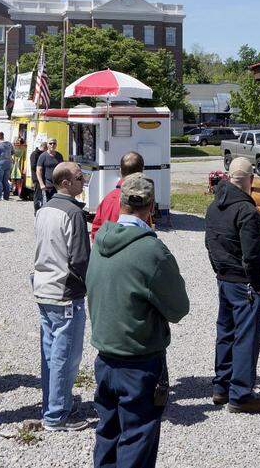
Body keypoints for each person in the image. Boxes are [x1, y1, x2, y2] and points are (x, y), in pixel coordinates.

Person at [86, 174, 190, 468]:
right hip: (140, 360)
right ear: (151, 207)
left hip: (105, 357)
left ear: (119, 202)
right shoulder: (151, 251)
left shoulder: (99, 242)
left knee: (108, 434)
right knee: (138, 439)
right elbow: (179, 308)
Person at [205, 157, 260, 412]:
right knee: (246, 336)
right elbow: (253, 254)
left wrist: (220, 271)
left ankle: (221, 386)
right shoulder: (247, 211)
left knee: (226, 331)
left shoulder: (214, 207)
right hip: (243, 282)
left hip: (224, 278)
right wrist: (257, 284)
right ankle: (241, 393)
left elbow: (210, 244)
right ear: (250, 180)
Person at [33, 162, 92, 432]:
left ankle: (53, 403)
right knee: (65, 356)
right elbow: (80, 259)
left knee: (49, 353)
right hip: (66, 292)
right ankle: (57, 414)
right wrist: (91, 283)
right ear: (66, 182)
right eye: (80, 178)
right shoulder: (73, 213)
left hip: (43, 287)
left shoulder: (44, 209)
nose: (83, 182)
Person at [90, 151, 144, 242]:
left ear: (120, 170)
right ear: (142, 171)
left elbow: (95, 232)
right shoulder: (140, 200)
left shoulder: (107, 199)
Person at [35, 139, 64, 206]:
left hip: (58, 184)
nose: (52, 145)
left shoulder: (59, 156)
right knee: (49, 203)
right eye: (50, 143)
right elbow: (38, 170)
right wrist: (41, 184)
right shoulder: (43, 156)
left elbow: (62, 169)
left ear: (56, 145)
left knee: (59, 203)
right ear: (47, 145)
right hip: (48, 185)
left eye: (54, 143)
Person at [0, 131, 14, 201]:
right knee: (6, 180)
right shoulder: (9, 144)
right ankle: (6, 197)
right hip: (8, 163)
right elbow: (13, 152)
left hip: (0, 163)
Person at [29, 137, 48, 212]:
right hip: (37, 178)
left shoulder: (42, 154)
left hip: (43, 177)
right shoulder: (35, 154)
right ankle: (36, 210)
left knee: (43, 195)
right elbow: (33, 166)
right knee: (38, 195)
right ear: (45, 147)